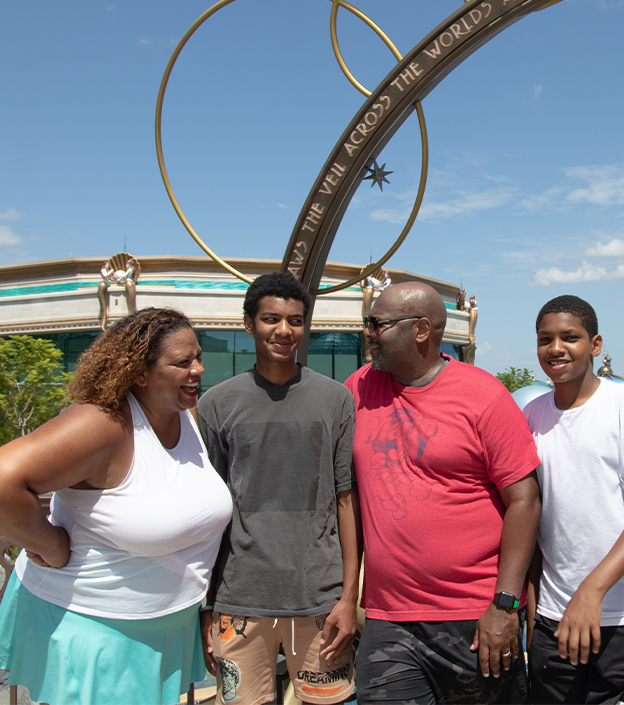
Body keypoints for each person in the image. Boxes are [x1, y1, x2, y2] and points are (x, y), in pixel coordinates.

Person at [0, 308, 232, 705]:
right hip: (94, 628)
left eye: (198, 356)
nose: (198, 369)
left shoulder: (185, 411)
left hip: (163, 626)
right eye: (182, 362)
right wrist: (50, 543)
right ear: (139, 373)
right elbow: (4, 477)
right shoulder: (102, 424)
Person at [344, 281, 541, 704]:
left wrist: (505, 606)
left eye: (376, 323)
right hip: (388, 621)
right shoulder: (357, 388)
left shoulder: (484, 395)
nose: (368, 333)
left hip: (474, 621)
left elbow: (525, 500)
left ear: (419, 330)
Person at [197, 272, 360, 705]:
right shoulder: (216, 404)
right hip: (240, 601)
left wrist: (348, 598)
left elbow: (346, 500)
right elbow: (210, 512)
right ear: (249, 323)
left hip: (319, 600)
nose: (284, 331)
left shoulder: (336, 400)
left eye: (296, 320)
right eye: (271, 319)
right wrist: (207, 605)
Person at [523, 295, 624, 704]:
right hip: (555, 618)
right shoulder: (531, 415)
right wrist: (535, 604)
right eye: (544, 339)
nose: (555, 349)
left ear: (596, 344)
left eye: (570, 337)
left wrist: (592, 591)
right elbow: (533, 517)